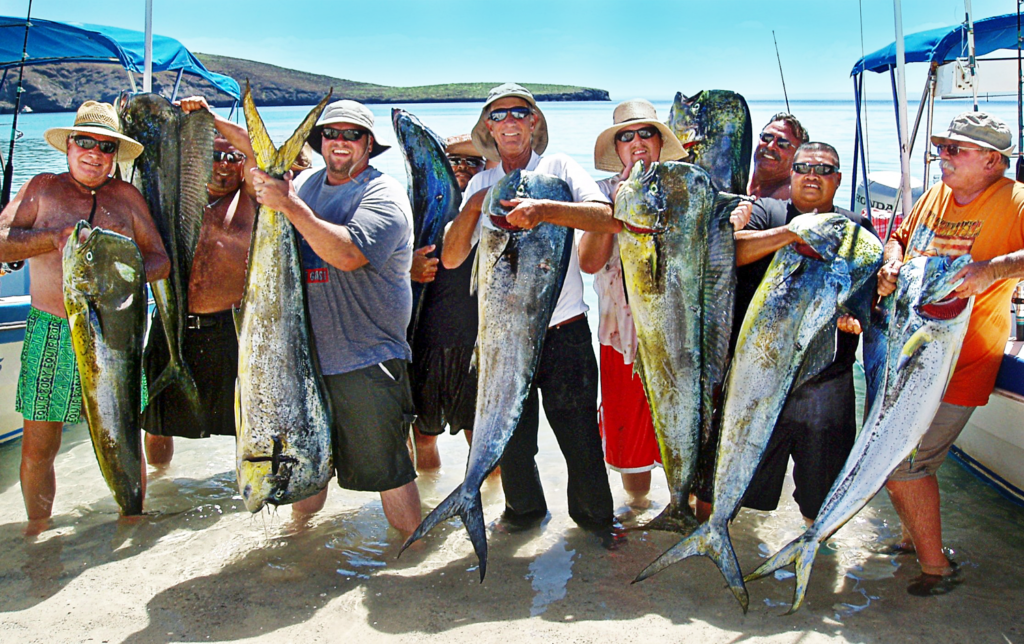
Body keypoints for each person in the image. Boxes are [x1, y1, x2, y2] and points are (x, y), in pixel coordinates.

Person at [442, 83, 618, 531]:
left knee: (579, 438)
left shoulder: (558, 168)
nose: (509, 123)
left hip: (565, 333)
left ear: (534, 122)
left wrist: (544, 209)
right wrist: (476, 206)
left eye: (519, 112)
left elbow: (605, 214)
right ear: (488, 128)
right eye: (498, 116)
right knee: (514, 442)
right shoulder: (482, 182)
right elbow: (451, 256)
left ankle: (596, 525)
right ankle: (522, 513)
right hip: (501, 337)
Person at [249, 99, 422, 534]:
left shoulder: (384, 194)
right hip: (303, 361)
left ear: (369, 144)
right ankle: (298, 548)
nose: (340, 142)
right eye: (331, 133)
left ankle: (414, 563)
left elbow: (349, 254)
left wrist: (288, 206)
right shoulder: (305, 184)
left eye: (352, 134)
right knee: (302, 472)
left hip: (365, 359)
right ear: (319, 141)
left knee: (390, 473)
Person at [0, 101, 169, 534]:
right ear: (69, 145)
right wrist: (50, 238)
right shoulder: (42, 188)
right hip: (52, 330)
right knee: (40, 445)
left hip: (116, 333)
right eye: (85, 142)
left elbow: (160, 261)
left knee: (125, 436)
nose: (94, 152)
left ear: (115, 154)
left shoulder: (126, 198)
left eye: (106, 146)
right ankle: (38, 534)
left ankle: (133, 521)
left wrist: (121, 279)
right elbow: (2, 239)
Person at [877, 112, 1024, 588]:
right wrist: (893, 262)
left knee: (902, 463)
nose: (942, 156)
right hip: (907, 357)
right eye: (941, 147)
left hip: (962, 362)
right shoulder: (935, 196)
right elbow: (899, 237)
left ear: (991, 160)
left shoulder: (1015, 200)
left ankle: (937, 570)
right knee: (898, 457)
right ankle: (911, 536)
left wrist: (993, 269)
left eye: (955, 149)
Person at [696, 142, 876, 524]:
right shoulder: (768, 211)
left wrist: (857, 315)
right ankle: (702, 550)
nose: (813, 175)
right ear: (792, 174)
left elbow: (867, 287)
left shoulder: (855, 227)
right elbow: (729, 251)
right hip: (754, 376)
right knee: (717, 483)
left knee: (820, 497)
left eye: (824, 169)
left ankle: (815, 559)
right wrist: (793, 234)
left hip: (826, 381)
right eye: (804, 167)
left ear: (839, 180)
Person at [578, 99, 686, 508]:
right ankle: (639, 515)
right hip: (619, 339)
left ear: (660, 141)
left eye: (646, 133)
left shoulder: (685, 189)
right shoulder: (597, 194)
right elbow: (589, 262)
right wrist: (616, 209)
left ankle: (680, 513)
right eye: (626, 136)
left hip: (677, 337)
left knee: (680, 438)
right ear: (617, 148)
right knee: (630, 454)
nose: (637, 142)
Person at [142, 95, 259, 465]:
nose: (223, 166)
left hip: (229, 328)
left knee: (245, 421)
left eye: (231, 158)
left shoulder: (251, 200)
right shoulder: (170, 197)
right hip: (171, 324)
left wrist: (211, 118)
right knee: (157, 422)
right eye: (214, 155)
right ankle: (161, 489)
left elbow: (260, 149)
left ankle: (247, 497)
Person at [409, 134, 486, 470]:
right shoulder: (421, 206)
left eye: (472, 162)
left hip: (476, 342)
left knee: (479, 435)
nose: (463, 168)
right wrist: (406, 267)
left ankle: (494, 505)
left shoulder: (490, 206)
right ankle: (428, 497)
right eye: (454, 161)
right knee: (423, 437)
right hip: (427, 339)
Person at [747, 112, 809, 200]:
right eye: (767, 137)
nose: (770, 146)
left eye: (782, 143)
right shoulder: (736, 182)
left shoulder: (789, 198)